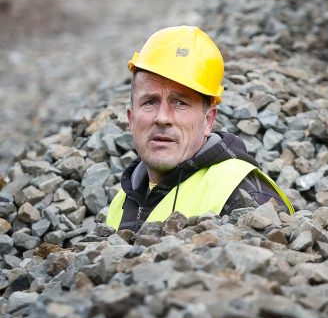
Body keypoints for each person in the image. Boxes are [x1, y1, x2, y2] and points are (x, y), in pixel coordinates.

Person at [106, 25, 293, 231]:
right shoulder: (121, 201)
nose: (162, 118)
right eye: (150, 101)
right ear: (131, 119)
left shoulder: (245, 194)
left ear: (208, 121)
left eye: (180, 103)